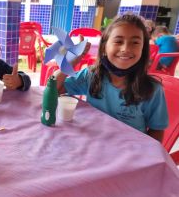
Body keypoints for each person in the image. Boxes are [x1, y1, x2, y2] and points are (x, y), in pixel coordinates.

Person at [54, 14, 168, 142]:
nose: (125, 49)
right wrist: (71, 61)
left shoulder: (152, 90)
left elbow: (157, 130)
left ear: (143, 49)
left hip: (130, 154)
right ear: (104, 47)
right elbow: (53, 88)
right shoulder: (92, 75)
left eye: (135, 42)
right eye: (118, 41)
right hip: (94, 145)